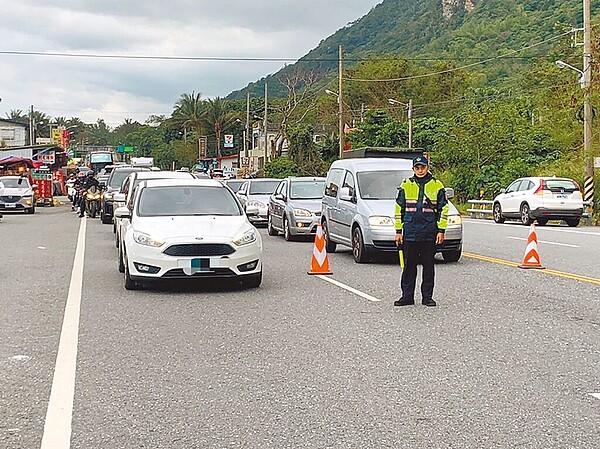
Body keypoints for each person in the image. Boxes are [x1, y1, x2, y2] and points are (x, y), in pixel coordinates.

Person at [394, 155, 449, 307]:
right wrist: (398, 231)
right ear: (413, 169)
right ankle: (407, 296)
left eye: (422, 167)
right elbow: (399, 208)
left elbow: (444, 208)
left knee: (428, 266)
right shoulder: (406, 184)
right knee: (409, 266)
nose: (420, 170)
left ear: (427, 168)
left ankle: (427, 297)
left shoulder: (437, 185)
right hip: (410, 231)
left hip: (429, 231)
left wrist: (441, 230)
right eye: (417, 168)